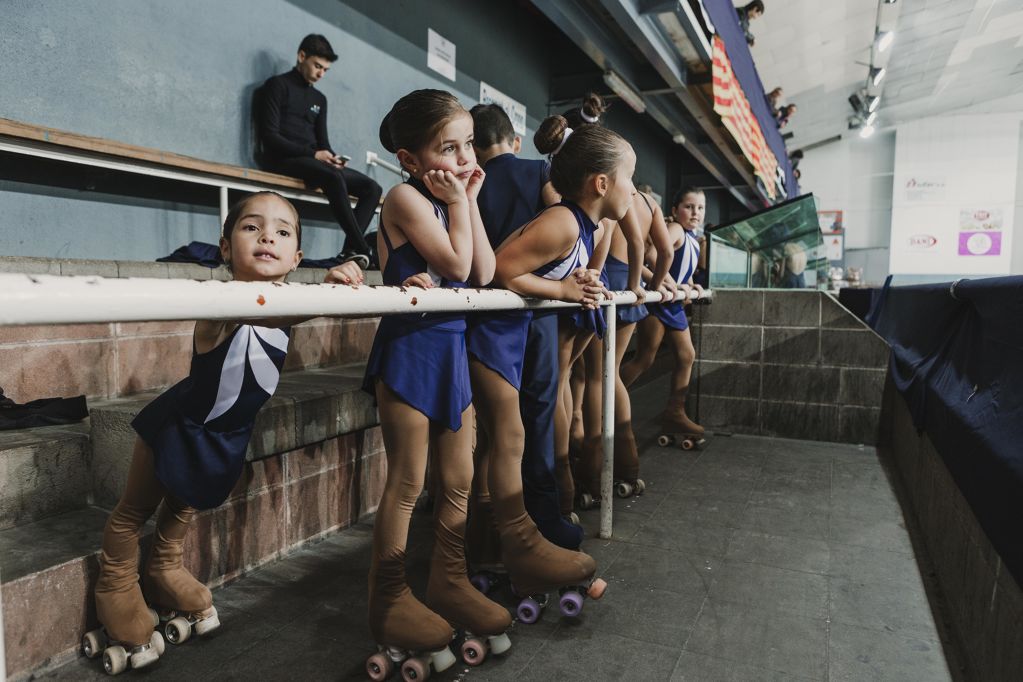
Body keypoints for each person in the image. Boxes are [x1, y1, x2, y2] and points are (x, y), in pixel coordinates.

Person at [84, 191, 364, 674]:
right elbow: (266, 312)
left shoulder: (287, 300)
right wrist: (326, 291)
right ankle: (114, 583)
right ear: (225, 247)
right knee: (135, 511)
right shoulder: (223, 302)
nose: (266, 238)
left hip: (225, 435)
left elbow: (280, 309)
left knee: (182, 506)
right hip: (179, 427)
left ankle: (165, 567)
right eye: (251, 228)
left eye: (282, 232)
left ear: (296, 257)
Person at [362, 89, 510, 679]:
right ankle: (388, 597)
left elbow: (486, 272)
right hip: (410, 353)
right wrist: (456, 204)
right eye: (447, 148)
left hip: (451, 350)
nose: (463, 157)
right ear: (409, 158)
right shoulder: (402, 197)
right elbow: (454, 266)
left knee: (458, 477)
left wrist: (468, 199)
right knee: (406, 483)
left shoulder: (451, 195)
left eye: (468, 143)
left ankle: (448, 581)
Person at [461, 104, 606, 619]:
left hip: (482, 318)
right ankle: (539, 530)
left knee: (490, 442)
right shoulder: (543, 182)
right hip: (532, 314)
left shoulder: (469, 183)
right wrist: (569, 284)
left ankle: (486, 545)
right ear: (514, 138)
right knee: (534, 423)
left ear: (474, 145)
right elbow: (539, 244)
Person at [573, 189, 675, 508]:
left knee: (595, 377)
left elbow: (605, 241)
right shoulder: (649, 203)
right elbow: (664, 252)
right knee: (609, 374)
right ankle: (627, 465)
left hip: (605, 282)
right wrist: (650, 286)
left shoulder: (612, 194)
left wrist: (594, 274)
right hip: (630, 291)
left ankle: (590, 471)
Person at [256, 34, 382, 267]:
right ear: (301, 56)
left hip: (314, 163)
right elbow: (270, 138)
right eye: (317, 66)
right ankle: (364, 247)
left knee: (372, 187)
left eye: (325, 69)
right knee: (331, 176)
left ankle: (350, 251)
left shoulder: (319, 98)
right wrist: (315, 155)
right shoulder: (277, 85)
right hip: (283, 159)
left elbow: (323, 143)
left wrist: (332, 158)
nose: (320, 74)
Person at [620, 186, 706, 443]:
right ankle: (608, 397)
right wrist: (669, 282)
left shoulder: (692, 237)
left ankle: (674, 411)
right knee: (645, 358)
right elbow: (653, 254)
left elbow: (683, 269)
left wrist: (690, 285)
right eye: (689, 207)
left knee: (686, 355)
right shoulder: (677, 229)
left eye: (700, 208)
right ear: (674, 210)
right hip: (660, 302)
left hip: (672, 304)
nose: (695, 212)